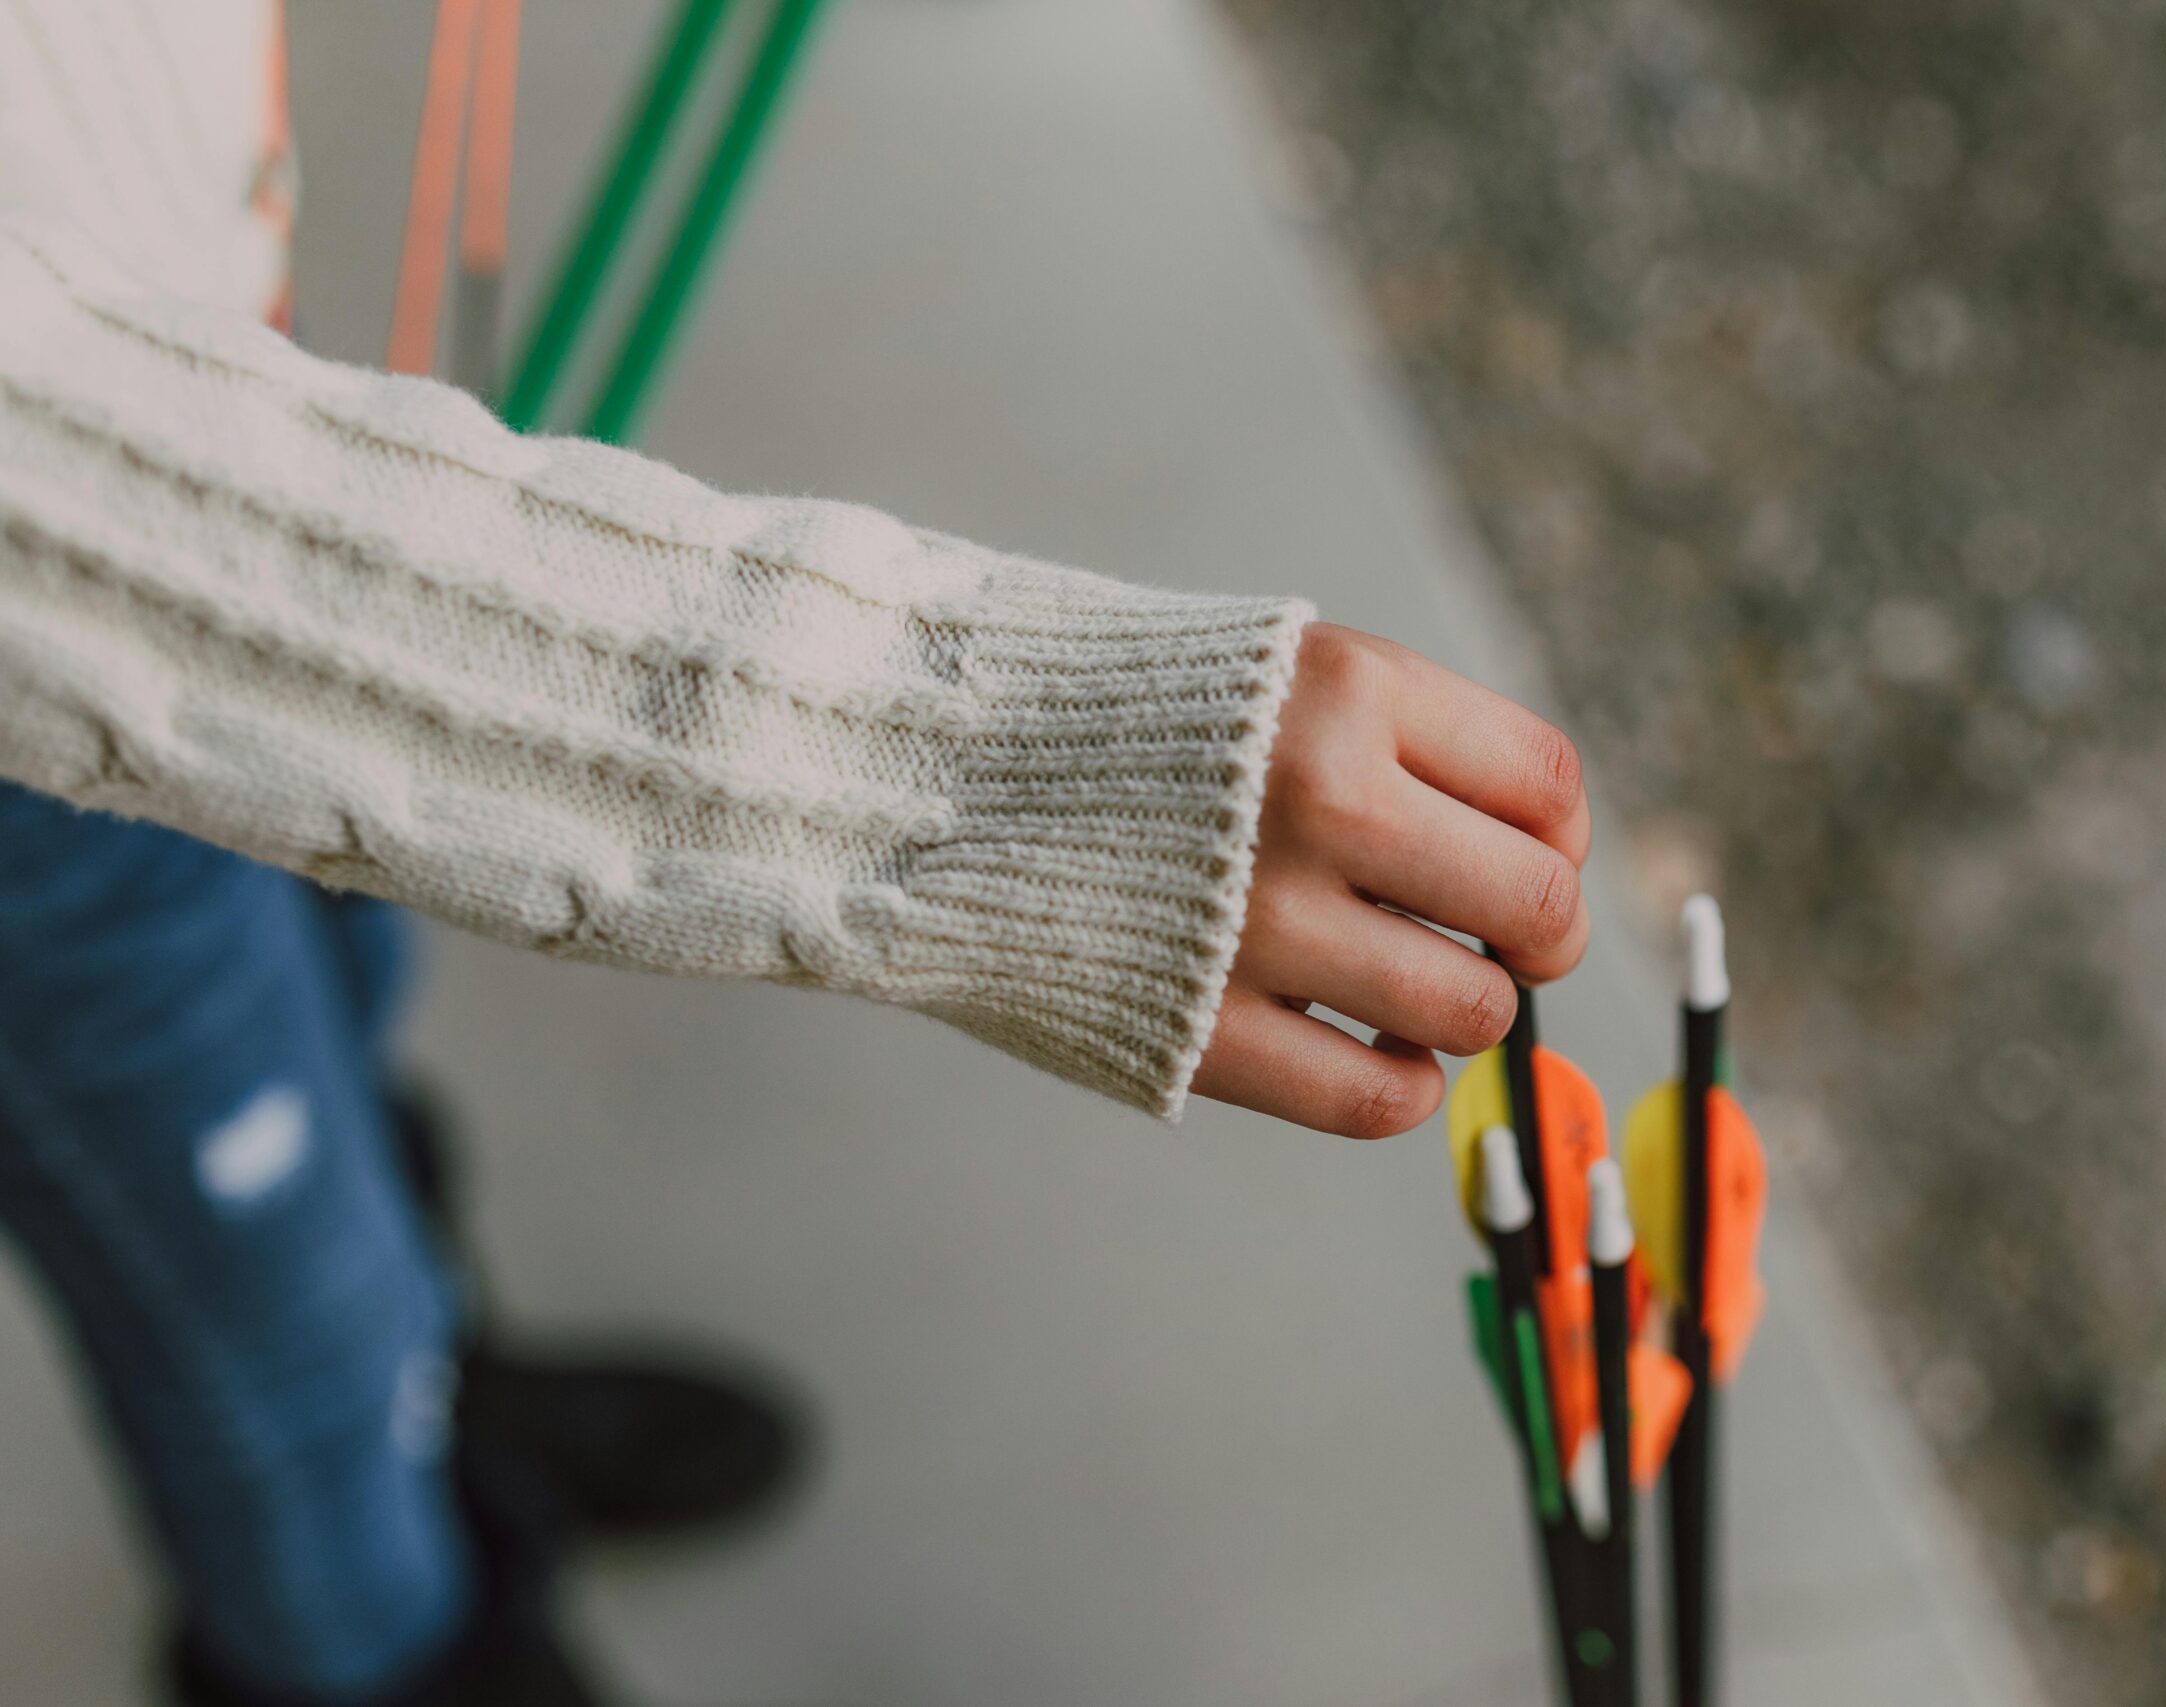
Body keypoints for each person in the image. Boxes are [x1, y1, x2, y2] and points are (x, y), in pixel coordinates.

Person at [0, 4, 1593, 1705]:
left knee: (336, 998)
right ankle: (388, 1638)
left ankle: (444, 1398)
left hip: (185, 339)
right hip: (61, 663)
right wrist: (953, 762)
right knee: (268, 1326)